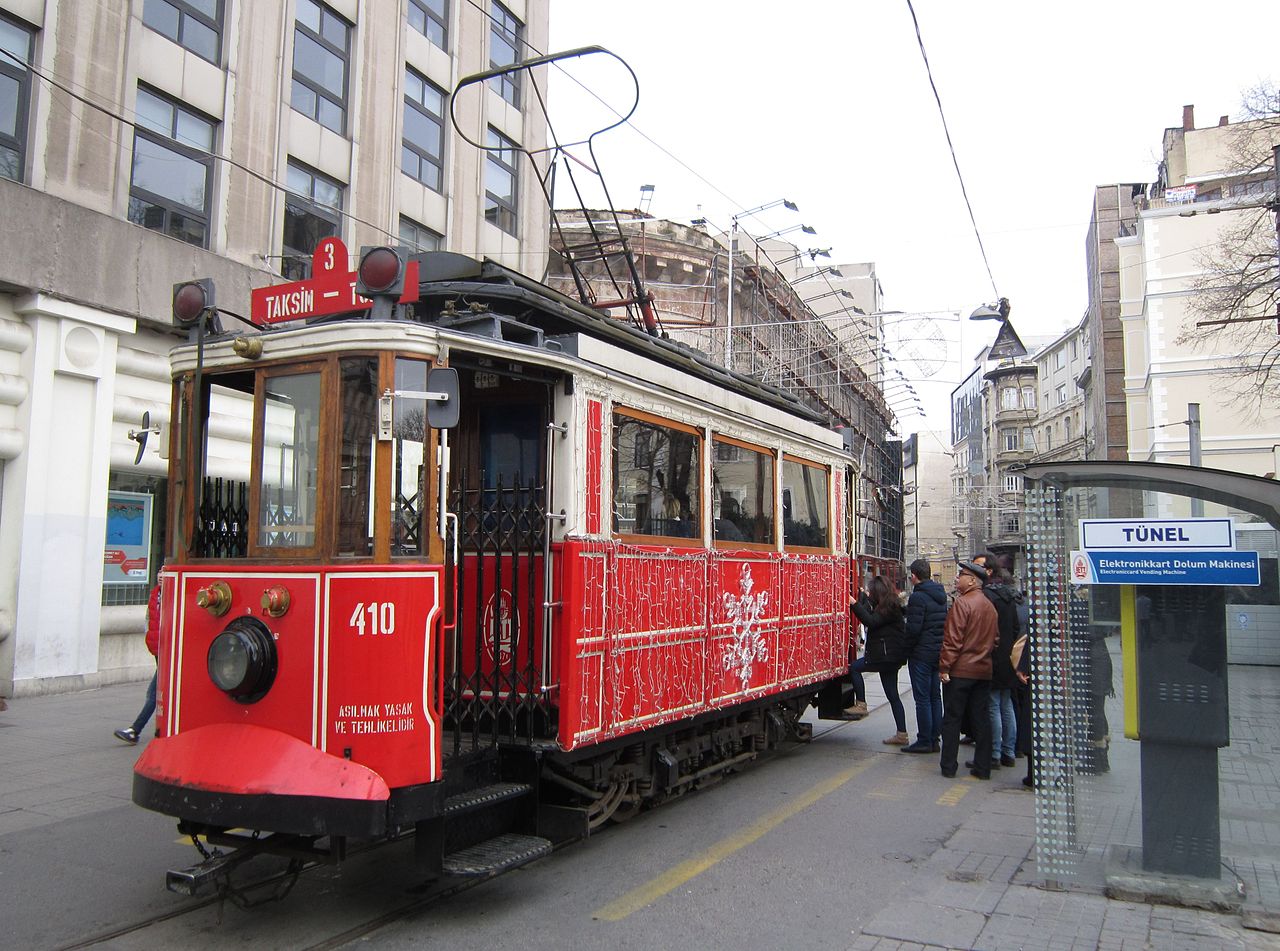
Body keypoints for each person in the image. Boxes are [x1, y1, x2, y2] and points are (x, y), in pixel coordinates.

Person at [939, 560, 998, 779]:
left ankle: (948, 766)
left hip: (961, 671)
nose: (957, 578)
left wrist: (944, 667)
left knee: (952, 719)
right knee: (981, 719)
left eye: (961, 575)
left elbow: (952, 640)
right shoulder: (989, 606)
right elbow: (996, 640)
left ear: (973, 580)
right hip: (983, 671)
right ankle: (983, 768)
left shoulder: (962, 604)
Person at [846, 576, 910, 744]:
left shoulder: (889, 608)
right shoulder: (891, 604)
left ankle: (861, 703)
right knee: (893, 696)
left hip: (884, 656)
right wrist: (862, 599)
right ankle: (902, 734)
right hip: (890, 657)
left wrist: (854, 603)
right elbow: (871, 612)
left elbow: (871, 621)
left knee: (854, 668)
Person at [974, 552, 1022, 770]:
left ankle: (993, 753)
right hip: (1008, 657)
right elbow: (1014, 628)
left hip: (991, 656)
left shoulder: (986, 596)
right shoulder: (1009, 595)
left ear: (988, 571)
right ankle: (1008, 751)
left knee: (992, 705)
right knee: (1006, 704)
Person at [900, 558, 947, 754]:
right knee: (935, 696)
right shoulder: (940, 595)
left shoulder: (918, 597)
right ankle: (935, 738)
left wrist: (905, 649)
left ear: (914, 576)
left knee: (922, 698)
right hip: (937, 651)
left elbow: (914, 629)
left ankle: (925, 739)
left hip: (921, 653)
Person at [114, 581, 161, 745]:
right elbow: (149, 619)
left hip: (166, 650)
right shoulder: (157, 594)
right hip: (159, 649)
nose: (161, 575)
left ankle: (135, 730)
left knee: (154, 693)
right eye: (160, 571)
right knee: (157, 692)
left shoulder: (167, 593)